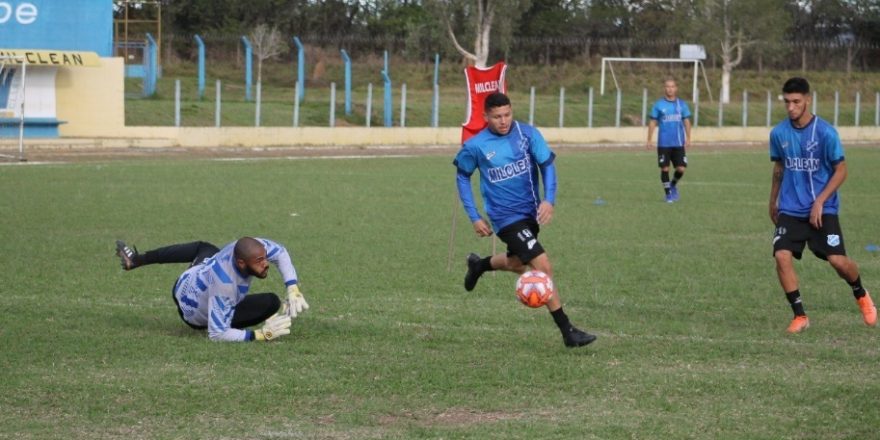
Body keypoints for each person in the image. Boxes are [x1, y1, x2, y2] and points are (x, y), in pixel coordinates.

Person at [453, 92, 597, 348]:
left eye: (507, 114)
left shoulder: (528, 134)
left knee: (518, 262)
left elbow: (547, 164)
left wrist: (548, 199)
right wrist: (474, 216)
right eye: (497, 116)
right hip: (504, 217)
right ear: (486, 116)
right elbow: (462, 176)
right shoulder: (476, 146)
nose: (503, 120)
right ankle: (568, 332)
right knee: (542, 266)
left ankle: (479, 265)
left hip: (530, 213)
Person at [769, 77, 876, 334]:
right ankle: (800, 315)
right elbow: (779, 167)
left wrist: (820, 200)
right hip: (791, 208)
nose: (791, 107)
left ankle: (860, 293)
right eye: (787, 102)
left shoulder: (826, 132)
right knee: (781, 256)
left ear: (808, 100)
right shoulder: (779, 133)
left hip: (822, 208)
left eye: (796, 101)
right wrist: (773, 201)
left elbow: (841, 170)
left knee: (838, 261)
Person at [114, 237, 310, 342]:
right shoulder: (225, 286)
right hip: (194, 316)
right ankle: (207, 315)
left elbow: (281, 253)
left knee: (203, 247)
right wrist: (260, 335)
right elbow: (217, 334)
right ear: (241, 263)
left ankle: (138, 260)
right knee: (270, 302)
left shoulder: (246, 247)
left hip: (185, 282)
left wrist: (292, 287)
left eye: (264, 258)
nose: (265, 264)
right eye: (259, 262)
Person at [646, 78, 692, 203]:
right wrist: (649, 139)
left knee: (681, 168)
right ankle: (668, 195)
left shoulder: (681, 104)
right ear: (664, 88)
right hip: (664, 143)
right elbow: (653, 122)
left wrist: (688, 138)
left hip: (678, 142)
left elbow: (686, 121)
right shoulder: (658, 105)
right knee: (665, 168)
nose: (670, 89)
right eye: (667, 86)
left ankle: (673, 184)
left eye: (672, 86)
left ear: (676, 88)